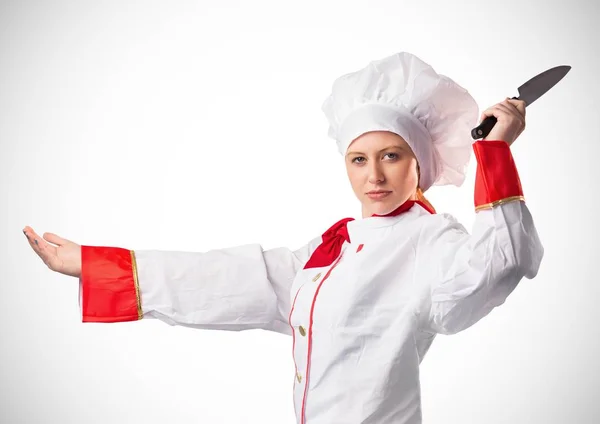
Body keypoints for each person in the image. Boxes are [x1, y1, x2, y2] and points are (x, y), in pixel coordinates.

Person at [23, 52, 543, 424]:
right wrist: (93, 264)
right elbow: (222, 279)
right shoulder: (329, 252)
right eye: (359, 159)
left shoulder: (430, 242)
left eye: (392, 156)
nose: (374, 176)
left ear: (420, 165)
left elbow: (499, 264)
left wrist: (494, 155)